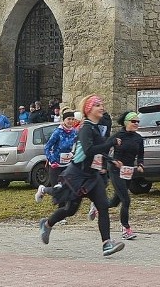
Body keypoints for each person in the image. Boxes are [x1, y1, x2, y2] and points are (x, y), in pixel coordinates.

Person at [37, 95, 125, 256]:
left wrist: (111, 161)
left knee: (103, 206)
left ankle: (106, 243)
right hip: (76, 175)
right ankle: (47, 224)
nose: (102, 107)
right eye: (98, 105)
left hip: (92, 176)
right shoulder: (86, 128)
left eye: (102, 104)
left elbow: (98, 150)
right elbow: (88, 150)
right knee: (70, 210)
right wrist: (111, 143)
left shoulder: (94, 128)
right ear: (89, 109)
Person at [106, 111, 145, 240]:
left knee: (114, 202)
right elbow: (103, 151)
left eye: (138, 121)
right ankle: (126, 228)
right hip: (115, 170)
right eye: (134, 121)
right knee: (126, 200)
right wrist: (113, 161)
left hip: (127, 171)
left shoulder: (138, 138)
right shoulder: (118, 136)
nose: (136, 124)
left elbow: (140, 154)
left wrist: (140, 164)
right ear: (126, 122)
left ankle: (97, 204)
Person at [39, 110, 79, 189]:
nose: (71, 121)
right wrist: (52, 160)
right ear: (64, 120)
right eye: (68, 119)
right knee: (57, 190)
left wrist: (74, 156)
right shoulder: (57, 132)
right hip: (56, 165)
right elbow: (47, 147)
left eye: (72, 119)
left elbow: (76, 146)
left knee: (68, 188)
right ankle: (43, 190)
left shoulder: (74, 132)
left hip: (68, 164)